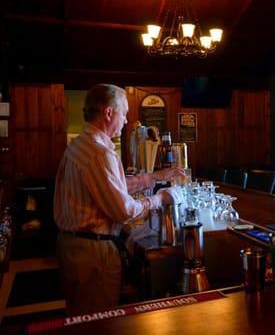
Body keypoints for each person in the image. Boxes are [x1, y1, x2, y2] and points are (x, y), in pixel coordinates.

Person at [54, 84, 185, 315]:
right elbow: (123, 210)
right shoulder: (99, 153)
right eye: (123, 113)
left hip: (72, 246)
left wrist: (153, 177)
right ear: (108, 113)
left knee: (79, 319)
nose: (125, 121)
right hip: (93, 254)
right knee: (99, 324)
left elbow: (110, 187)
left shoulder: (78, 145)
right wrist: (160, 198)